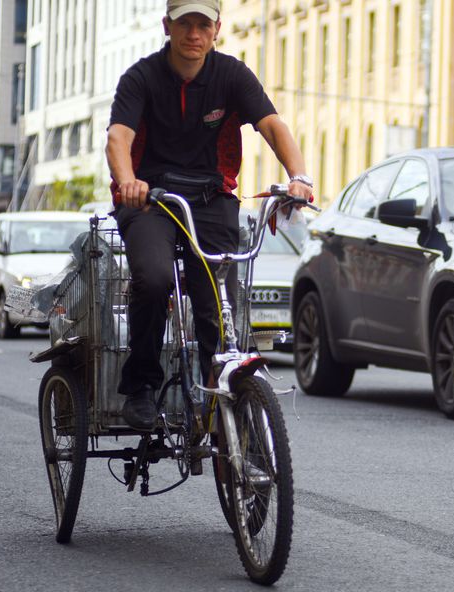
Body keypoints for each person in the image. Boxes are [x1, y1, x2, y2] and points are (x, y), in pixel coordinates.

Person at [106, 0, 312, 430]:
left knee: (216, 299)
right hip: (150, 200)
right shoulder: (140, 77)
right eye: (185, 24)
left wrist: (299, 177)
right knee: (154, 277)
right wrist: (128, 181)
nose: (194, 34)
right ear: (168, 26)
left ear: (217, 28)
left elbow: (273, 125)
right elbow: (118, 139)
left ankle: (221, 390)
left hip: (211, 198)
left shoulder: (231, 75)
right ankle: (141, 385)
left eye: (203, 24)